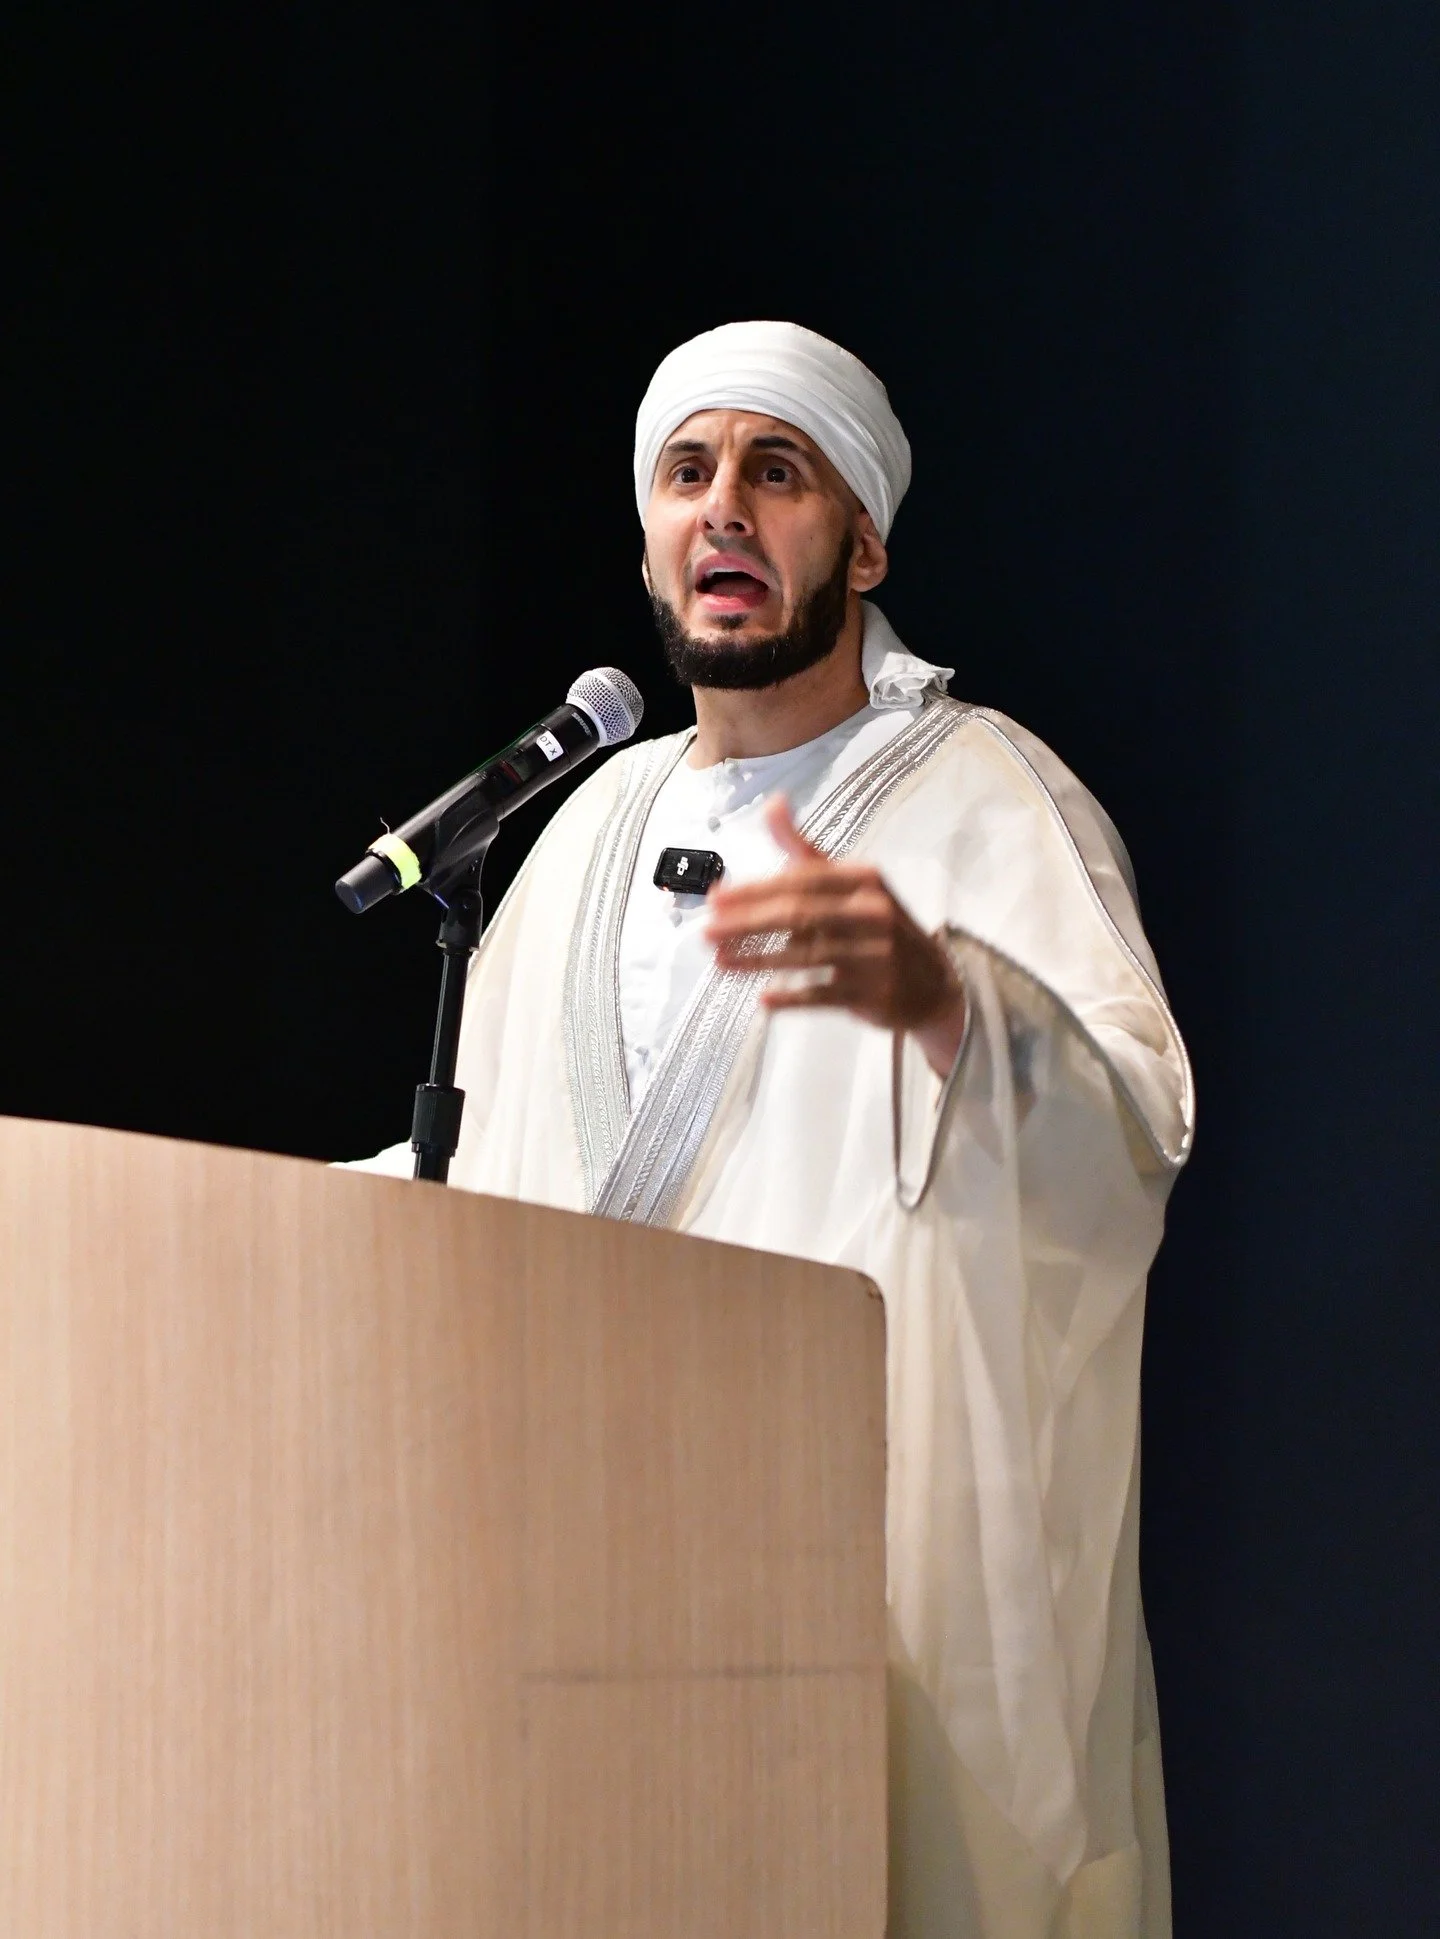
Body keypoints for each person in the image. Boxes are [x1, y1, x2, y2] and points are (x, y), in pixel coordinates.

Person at [350, 320, 1193, 1937]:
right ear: (654, 535)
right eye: (688, 472)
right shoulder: (585, 820)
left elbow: (1132, 1135)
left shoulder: (990, 796)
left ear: (861, 538)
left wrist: (949, 996)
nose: (724, 507)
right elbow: (499, 1168)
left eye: (776, 470)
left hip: (858, 1606)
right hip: (577, 1583)